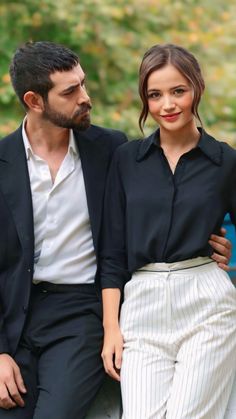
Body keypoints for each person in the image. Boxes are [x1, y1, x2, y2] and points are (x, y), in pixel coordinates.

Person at [0, 40, 231, 419]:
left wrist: (211, 248)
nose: (86, 97)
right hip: (16, 314)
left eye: (83, 83)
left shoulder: (109, 149)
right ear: (34, 100)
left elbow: (132, 227)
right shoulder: (4, 162)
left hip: (80, 313)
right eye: (71, 91)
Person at [100, 43, 236, 419]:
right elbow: (112, 252)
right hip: (141, 308)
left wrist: (232, 257)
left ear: (197, 88)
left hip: (206, 302)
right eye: (154, 95)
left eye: (178, 91)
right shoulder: (126, 160)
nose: (167, 105)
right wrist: (112, 329)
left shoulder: (225, 162)